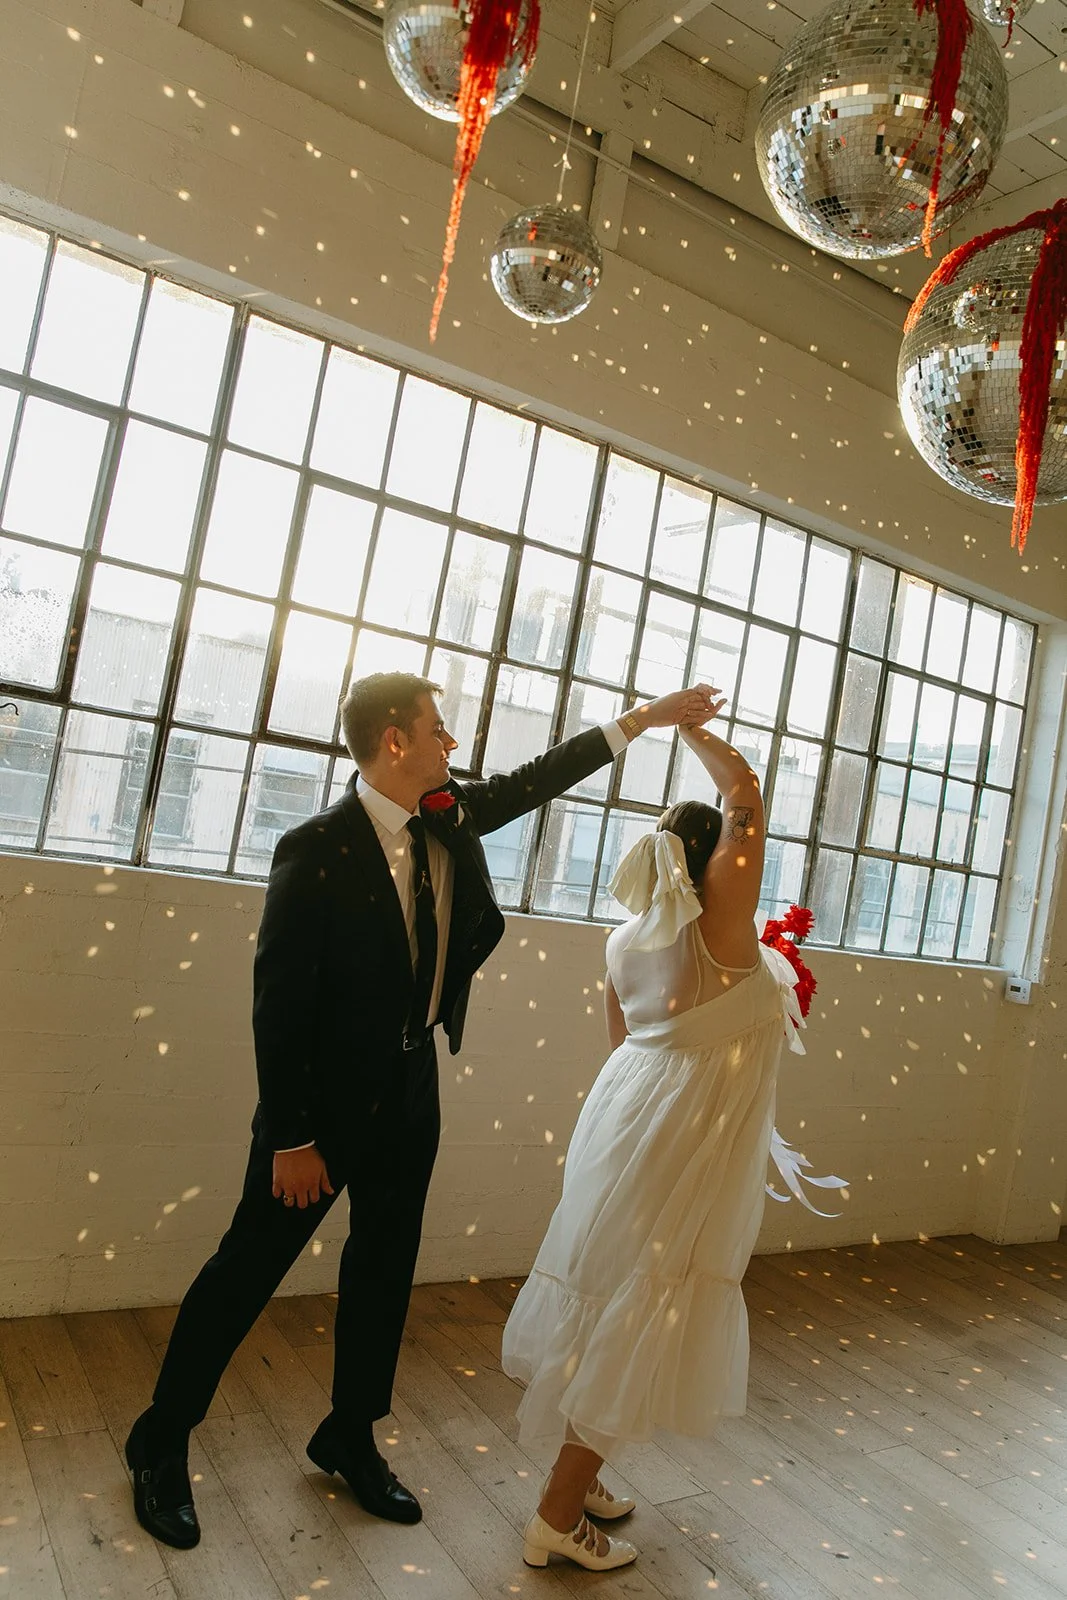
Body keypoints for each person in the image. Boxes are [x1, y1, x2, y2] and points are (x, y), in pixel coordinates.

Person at [124, 669, 720, 1550]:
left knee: (382, 1273)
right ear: (393, 741)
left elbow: (536, 779)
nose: (452, 744)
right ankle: (160, 1442)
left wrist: (648, 718)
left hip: (410, 1090)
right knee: (245, 1271)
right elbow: (277, 1008)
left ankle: (349, 1435)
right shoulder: (315, 846)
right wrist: (293, 1137)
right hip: (320, 1114)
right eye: (438, 730)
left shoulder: (446, 813)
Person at [502, 702, 819, 1572]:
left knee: (613, 1294)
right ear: (717, 865)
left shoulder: (623, 940)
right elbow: (746, 794)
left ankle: (584, 1470)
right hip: (689, 1139)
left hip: (626, 1121)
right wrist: (695, 737)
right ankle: (557, 1515)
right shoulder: (721, 934)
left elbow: (624, 1048)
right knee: (649, 1304)